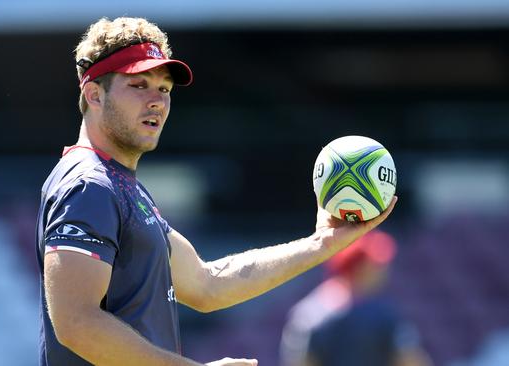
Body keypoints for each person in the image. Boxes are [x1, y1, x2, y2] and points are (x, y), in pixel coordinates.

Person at [35, 16, 397, 366]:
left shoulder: (120, 187)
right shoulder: (89, 185)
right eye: (139, 85)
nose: (157, 101)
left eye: (164, 88)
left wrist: (323, 243)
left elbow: (208, 285)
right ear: (94, 94)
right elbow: (76, 322)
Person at [279, 230, 431, 366]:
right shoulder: (383, 313)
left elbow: (297, 361)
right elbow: (410, 360)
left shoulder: (308, 312)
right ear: (361, 268)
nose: (384, 271)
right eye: (377, 265)